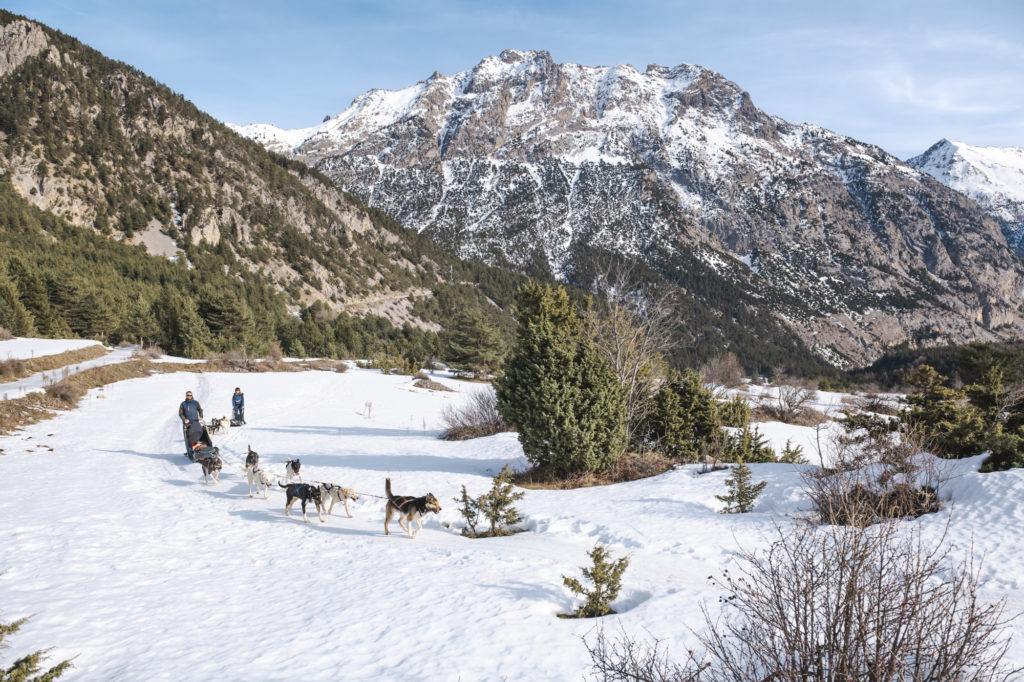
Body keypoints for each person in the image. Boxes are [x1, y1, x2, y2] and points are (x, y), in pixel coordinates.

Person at [179, 391, 204, 458]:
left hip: (195, 421)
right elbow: (180, 414)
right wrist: (184, 419)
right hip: (188, 423)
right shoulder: (183, 404)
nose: (189, 396)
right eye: (188, 395)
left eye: (190, 395)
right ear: (186, 396)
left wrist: (201, 416)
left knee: (200, 431)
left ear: (192, 395)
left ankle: (200, 445)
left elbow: (200, 410)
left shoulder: (195, 403)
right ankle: (190, 450)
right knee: (189, 435)